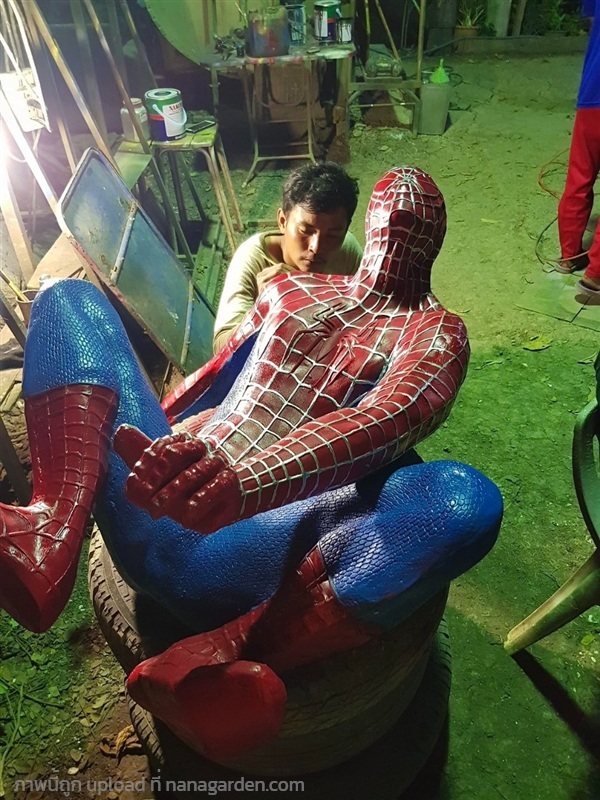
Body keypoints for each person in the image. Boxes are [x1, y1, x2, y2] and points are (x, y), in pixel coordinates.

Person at [0, 167, 502, 761]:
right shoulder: (295, 290)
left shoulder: (436, 334)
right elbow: (215, 380)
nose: (395, 234)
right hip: (160, 497)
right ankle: (49, 529)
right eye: (391, 219)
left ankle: (232, 649)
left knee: (464, 501)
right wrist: (165, 447)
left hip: (250, 561)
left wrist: (243, 483)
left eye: (409, 226)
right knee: (67, 300)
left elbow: (383, 422)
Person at [212, 161, 362, 353]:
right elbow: (221, 347)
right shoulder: (253, 257)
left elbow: (369, 316)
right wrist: (265, 307)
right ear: (283, 221)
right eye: (305, 231)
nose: (316, 247)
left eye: (332, 235)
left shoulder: (347, 251)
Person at [556, 0, 600, 298]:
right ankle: (595, 276)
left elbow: (592, 23)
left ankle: (568, 256)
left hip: (592, 94)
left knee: (579, 177)